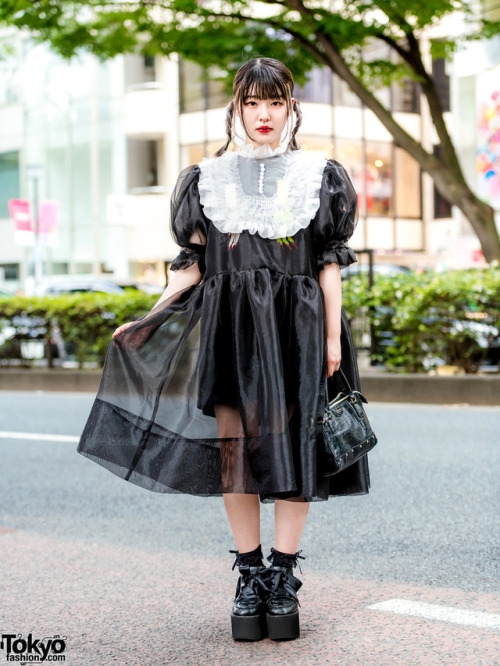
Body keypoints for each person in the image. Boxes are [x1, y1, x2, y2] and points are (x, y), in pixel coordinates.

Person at [77, 57, 370, 642]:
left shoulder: (321, 175)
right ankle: (250, 573)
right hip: (231, 332)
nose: (264, 115)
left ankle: (284, 577)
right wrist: (150, 317)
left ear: (291, 107)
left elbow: (328, 264)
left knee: (292, 451)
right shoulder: (204, 179)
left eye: (276, 102)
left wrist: (333, 337)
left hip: (299, 332)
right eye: (252, 103)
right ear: (236, 107)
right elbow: (190, 270)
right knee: (236, 454)